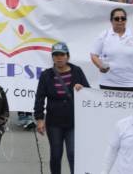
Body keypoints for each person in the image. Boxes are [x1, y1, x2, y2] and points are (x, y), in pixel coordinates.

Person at [34, 42, 89, 174]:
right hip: (54, 122)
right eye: (56, 55)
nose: (59, 58)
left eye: (62, 55)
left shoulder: (77, 71)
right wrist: (40, 119)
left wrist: (82, 89)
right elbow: (40, 98)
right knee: (56, 155)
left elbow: (88, 92)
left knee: (73, 154)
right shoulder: (46, 75)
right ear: (52, 57)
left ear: (68, 57)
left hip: (73, 121)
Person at [90, 7, 133, 91]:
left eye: (123, 18)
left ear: (126, 20)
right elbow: (93, 55)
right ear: (111, 21)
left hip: (130, 83)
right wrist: (100, 65)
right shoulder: (104, 35)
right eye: (117, 18)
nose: (120, 21)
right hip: (107, 83)